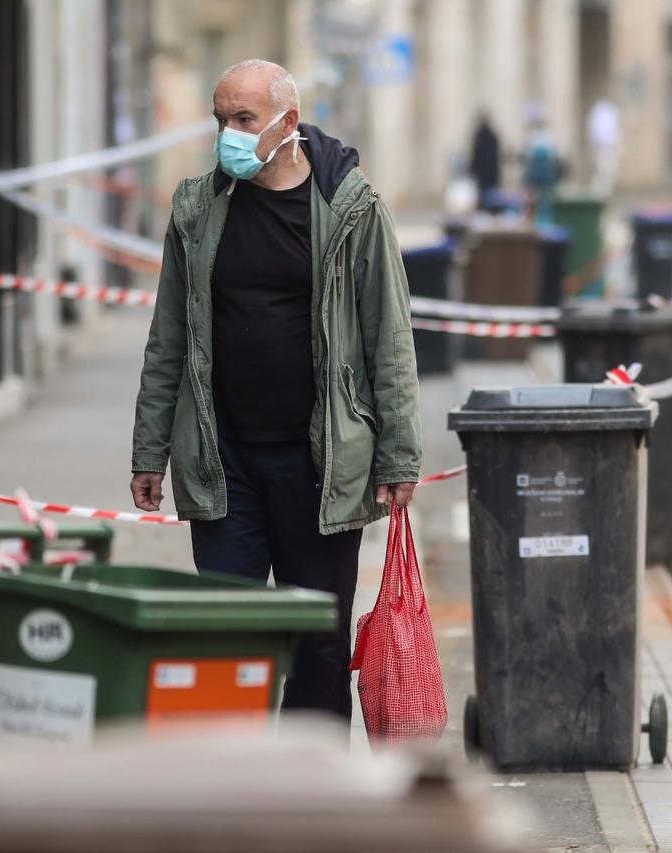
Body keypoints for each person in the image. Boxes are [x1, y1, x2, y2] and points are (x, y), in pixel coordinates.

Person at [130, 59, 421, 721]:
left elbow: (390, 336)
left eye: (243, 120)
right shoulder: (198, 209)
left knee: (317, 643)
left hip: (320, 465)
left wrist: (398, 455)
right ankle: (236, 794)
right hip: (221, 459)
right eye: (220, 119)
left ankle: (314, 796)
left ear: (287, 123)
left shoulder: (352, 208)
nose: (228, 134)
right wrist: (150, 450)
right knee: (225, 636)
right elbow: (168, 337)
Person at [522, 116, 563, 226]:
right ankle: (546, 224)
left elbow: (527, 160)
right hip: (547, 178)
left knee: (533, 202)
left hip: (535, 179)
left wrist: (527, 179)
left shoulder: (532, 139)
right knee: (546, 203)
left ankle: (534, 224)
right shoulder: (549, 139)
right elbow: (556, 160)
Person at [586, 98, 622, 196]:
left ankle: (601, 195)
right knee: (604, 172)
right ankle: (597, 196)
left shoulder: (609, 112)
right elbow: (600, 132)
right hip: (604, 146)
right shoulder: (601, 112)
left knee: (608, 173)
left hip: (606, 146)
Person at [469, 113, 502, 211]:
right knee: (490, 196)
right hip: (492, 173)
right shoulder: (492, 136)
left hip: (483, 174)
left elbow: (476, 155)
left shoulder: (480, 136)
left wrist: (472, 170)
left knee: (485, 196)